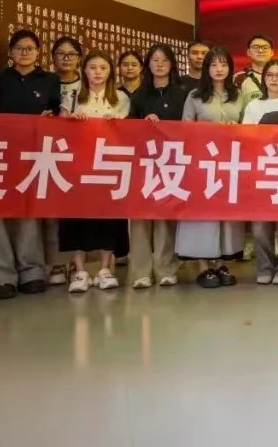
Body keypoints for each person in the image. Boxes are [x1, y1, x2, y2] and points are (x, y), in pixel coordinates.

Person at [0, 30, 60, 299]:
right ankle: (0, 276)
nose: (24, 53)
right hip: (0, 153)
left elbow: (58, 112)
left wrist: (51, 116)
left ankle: (31, 272)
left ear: (38, 52)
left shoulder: (50, 80)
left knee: (28, 209)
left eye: (30, 48)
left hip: (35, 154)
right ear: (11, 52)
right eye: (19, 48)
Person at [59, 50, 130, 293]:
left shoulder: (121, 97)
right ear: (84, 70)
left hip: (108, 165)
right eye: (92, 67)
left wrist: (115, 124)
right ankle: (80, 271)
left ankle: (104, 269)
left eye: (103, 68)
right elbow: (59, 127)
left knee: (107, 217)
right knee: (77, 216)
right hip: (79, 165)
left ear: (110, 71)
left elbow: (129, 130)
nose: (97, 72)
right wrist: (70, 120)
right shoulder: (72, 95)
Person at [176, 47, 248, 288]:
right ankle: (203, 266)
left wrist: (236, 129)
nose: (219, 69)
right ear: (207, 69)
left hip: (229, 163)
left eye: (223, 64)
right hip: (202, 163)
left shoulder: (237, 95)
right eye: (214, 65)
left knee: (226, 215)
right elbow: (185, 129)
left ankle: (221, 263)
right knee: (203, 216)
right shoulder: (195, 96)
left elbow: (248, 127)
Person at [127, 43, 189, 289]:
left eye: (164, 60)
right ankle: (141, 271)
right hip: (144, 162)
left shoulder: (182, 93)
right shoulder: (139, 95)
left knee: (165, 217)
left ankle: (165, 268)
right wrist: (143, 123)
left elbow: (189, 126)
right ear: (148, 65)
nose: (160, 64)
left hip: (171, 162)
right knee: (140, 217)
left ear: (172, 64)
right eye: (155, 60)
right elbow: (128, 128)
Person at [241, 58, 278, 285]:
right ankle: (265, 267)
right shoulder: (253, 106)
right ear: (263, 79)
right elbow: (246, 137)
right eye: (270, 75)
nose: (274, 79)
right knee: (260, 225)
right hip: (259, 170)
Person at [46, 35, 83, 286]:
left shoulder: (87, 84)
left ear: (79, 58)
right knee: (52, 210)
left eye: (71, 54)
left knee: (76, 210)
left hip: (81, 153)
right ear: (53, 58)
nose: (66, 58)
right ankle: (57, 261)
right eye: (61, 53)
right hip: (51, 152)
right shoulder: (46, 83)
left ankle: (77, 263)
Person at [234, 34, 274, 103]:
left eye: (265, 47)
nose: (260, 50)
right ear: (248, 52)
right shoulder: (239, 78)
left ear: (272, 52)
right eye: (256, 47)